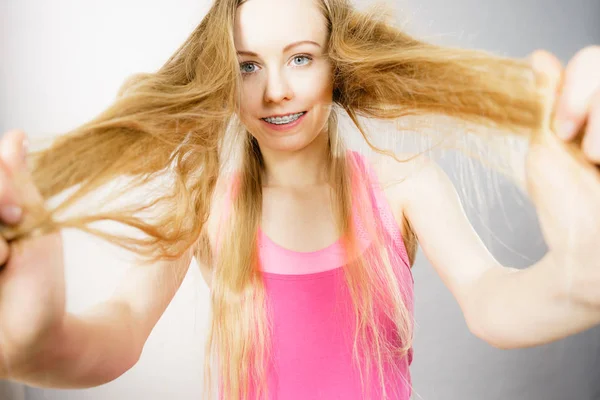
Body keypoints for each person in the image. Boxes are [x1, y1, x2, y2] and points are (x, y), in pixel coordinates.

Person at [0, 0, 599, 398]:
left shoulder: (401, 184)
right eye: (247, 66)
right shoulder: (205, 199)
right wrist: (34, 342)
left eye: (301, 58)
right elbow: (123, 326)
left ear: (337, 63)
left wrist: (580, 278)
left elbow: (491, 302)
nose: (276, 90)